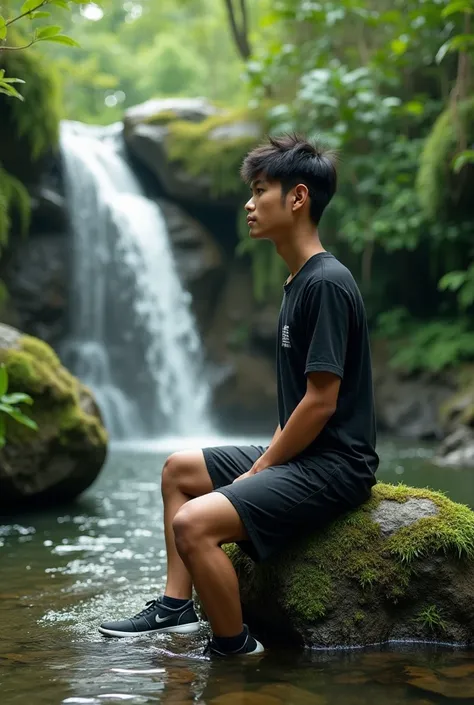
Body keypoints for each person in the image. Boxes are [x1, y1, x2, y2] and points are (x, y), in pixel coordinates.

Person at [98, 133, 379, 656]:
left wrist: (260, 470)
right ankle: (177, 606)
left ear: (297, 198)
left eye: (259, 190)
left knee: (193, 524)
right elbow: (296, 402)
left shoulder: (327, 283)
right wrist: (268, 462)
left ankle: (233, 648)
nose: (249, 204)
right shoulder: (297, 281)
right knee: (178, 471)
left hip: (338, 466)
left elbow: (321, 402)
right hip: (306, 457)